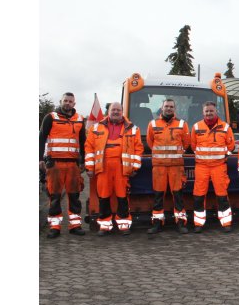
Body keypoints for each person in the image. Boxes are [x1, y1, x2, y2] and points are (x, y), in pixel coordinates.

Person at [85, 102, 143, 236]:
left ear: (122, 112)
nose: (116, 112)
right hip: (103, 167)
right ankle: (104, 225)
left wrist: (135, 167)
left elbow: (138, 149)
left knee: (122, 196)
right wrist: (89, 167)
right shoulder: (96, 128)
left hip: (122, 168)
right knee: (103, 196)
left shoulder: (133, 128)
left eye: (118, 110)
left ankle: (124, 225)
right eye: (113, 110)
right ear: (108, 111)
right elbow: (89, 148)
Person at [40, 92, 87, 238]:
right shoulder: (50, 117)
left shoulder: (79, 119)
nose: (67, 103)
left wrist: (83, 160)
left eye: (70, 101)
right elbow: (41, 138)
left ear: (74, 103)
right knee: (54, 196)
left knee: (74, 196)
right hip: (54, 163)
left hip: (73, 164)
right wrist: (39, 159)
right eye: (65, 100)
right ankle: (55, 226)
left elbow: (83, 142)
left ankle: (75, 225)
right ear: (61, 101)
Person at [189, 101, 235, 233]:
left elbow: (231, 146)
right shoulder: (196, 127)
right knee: (198, 194)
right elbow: (193, 146)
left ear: (216, 112)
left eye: (211, 111)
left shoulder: (225, 127)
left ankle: (226, 222)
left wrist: (221, 154)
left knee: (222, 194)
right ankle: (198, 223)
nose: (209, 113)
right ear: (203, 113)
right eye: (206, 111)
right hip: (201, 167)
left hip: (219, 166)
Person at [146, 99, 191, 234]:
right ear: (162, 108)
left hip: (176, 167)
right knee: (158, 196)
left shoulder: (182, 124)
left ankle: (181, 223)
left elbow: (186, 143)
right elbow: (150, 142)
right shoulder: (153, 124)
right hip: (159, 167)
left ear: (174, 108)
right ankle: (157, 223)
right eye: (166, 106)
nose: (169, 108)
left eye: (171, 106)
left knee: (178, 196)